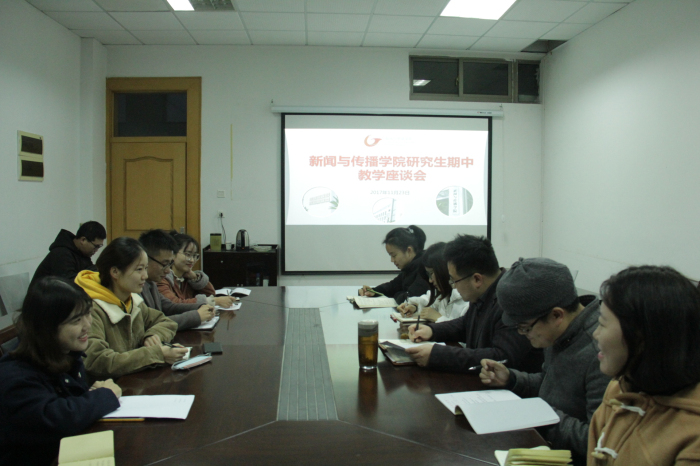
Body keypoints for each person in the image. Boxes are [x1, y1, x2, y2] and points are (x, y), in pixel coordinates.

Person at [479, 258, 610, 465]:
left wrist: (544, 415)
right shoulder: (559, 333)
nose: (522, 334)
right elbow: (551, 384)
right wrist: (511, 379)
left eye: (525, 327)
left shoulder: (601, 354)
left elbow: (599, 442)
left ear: (557, 315)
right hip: (544, 445)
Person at [0, 277, 121, 466]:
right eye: (76, 320)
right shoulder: (15, 375)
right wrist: (103, 396)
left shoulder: (65, 352)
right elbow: (54, 419)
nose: (87, 325)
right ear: (46, 327)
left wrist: (89, 396)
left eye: (88, 314)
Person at [587, 265, 700, 466]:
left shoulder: (692, 431)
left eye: (603, 323)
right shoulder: (618, 389)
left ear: (642, 337)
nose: (596, 334)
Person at [406, 235, 542, 373]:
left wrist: (438, 355)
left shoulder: (511, 300)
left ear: (477, 279)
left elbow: (501, 357)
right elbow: (465, 324)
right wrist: (432, 330)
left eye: (454, 280)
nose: (454, 286)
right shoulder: (482, 293)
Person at [75, 237, 184, 380]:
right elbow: (97, 361)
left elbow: (165, 321)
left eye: (145, 268)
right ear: (115, 272)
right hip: (109, 388)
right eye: (139, 269)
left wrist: (152, 335)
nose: (145, 276)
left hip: (134, 382)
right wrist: (156, 354)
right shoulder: (91, 309)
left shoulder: (131, 300)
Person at [139, 229, 216, 331]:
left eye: (169, 264)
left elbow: (170, 306)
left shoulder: (150, 283)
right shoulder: (136, 288)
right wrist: (197, 316)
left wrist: (201, 307)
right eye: (164, 264)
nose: (168, 270)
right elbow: (152, 325)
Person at [158, 232, 236, 308]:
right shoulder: (162, 279)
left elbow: (210, 293)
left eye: (195, 256)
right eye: (188, 254)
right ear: (173, 254)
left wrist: (195, 278)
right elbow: (174, 304)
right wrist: (214, 301)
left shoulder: (186, 277)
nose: (192, 260)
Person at [396, 242, 468, 323]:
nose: (430, 280)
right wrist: (414, 306)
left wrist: (438, 318)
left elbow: (462, 328)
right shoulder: (444, 293)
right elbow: (428, 299)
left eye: (431, 273)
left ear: (443, 270)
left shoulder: (465, 299)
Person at [359, 225, 430, 304]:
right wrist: (373, 291)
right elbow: (393, 286)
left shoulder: (425, 269)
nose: (392, 260)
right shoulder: (409, 267)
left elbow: (409, 299)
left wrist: (397, 294)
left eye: (394, 255)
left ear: (409, 251)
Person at [30, 221, 107, 288]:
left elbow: (89, 273)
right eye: (96, 246)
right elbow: (69, 284)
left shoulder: (82, 254)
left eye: (99, 246)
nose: (97, 250)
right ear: (83, 240)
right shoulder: (61, 253)